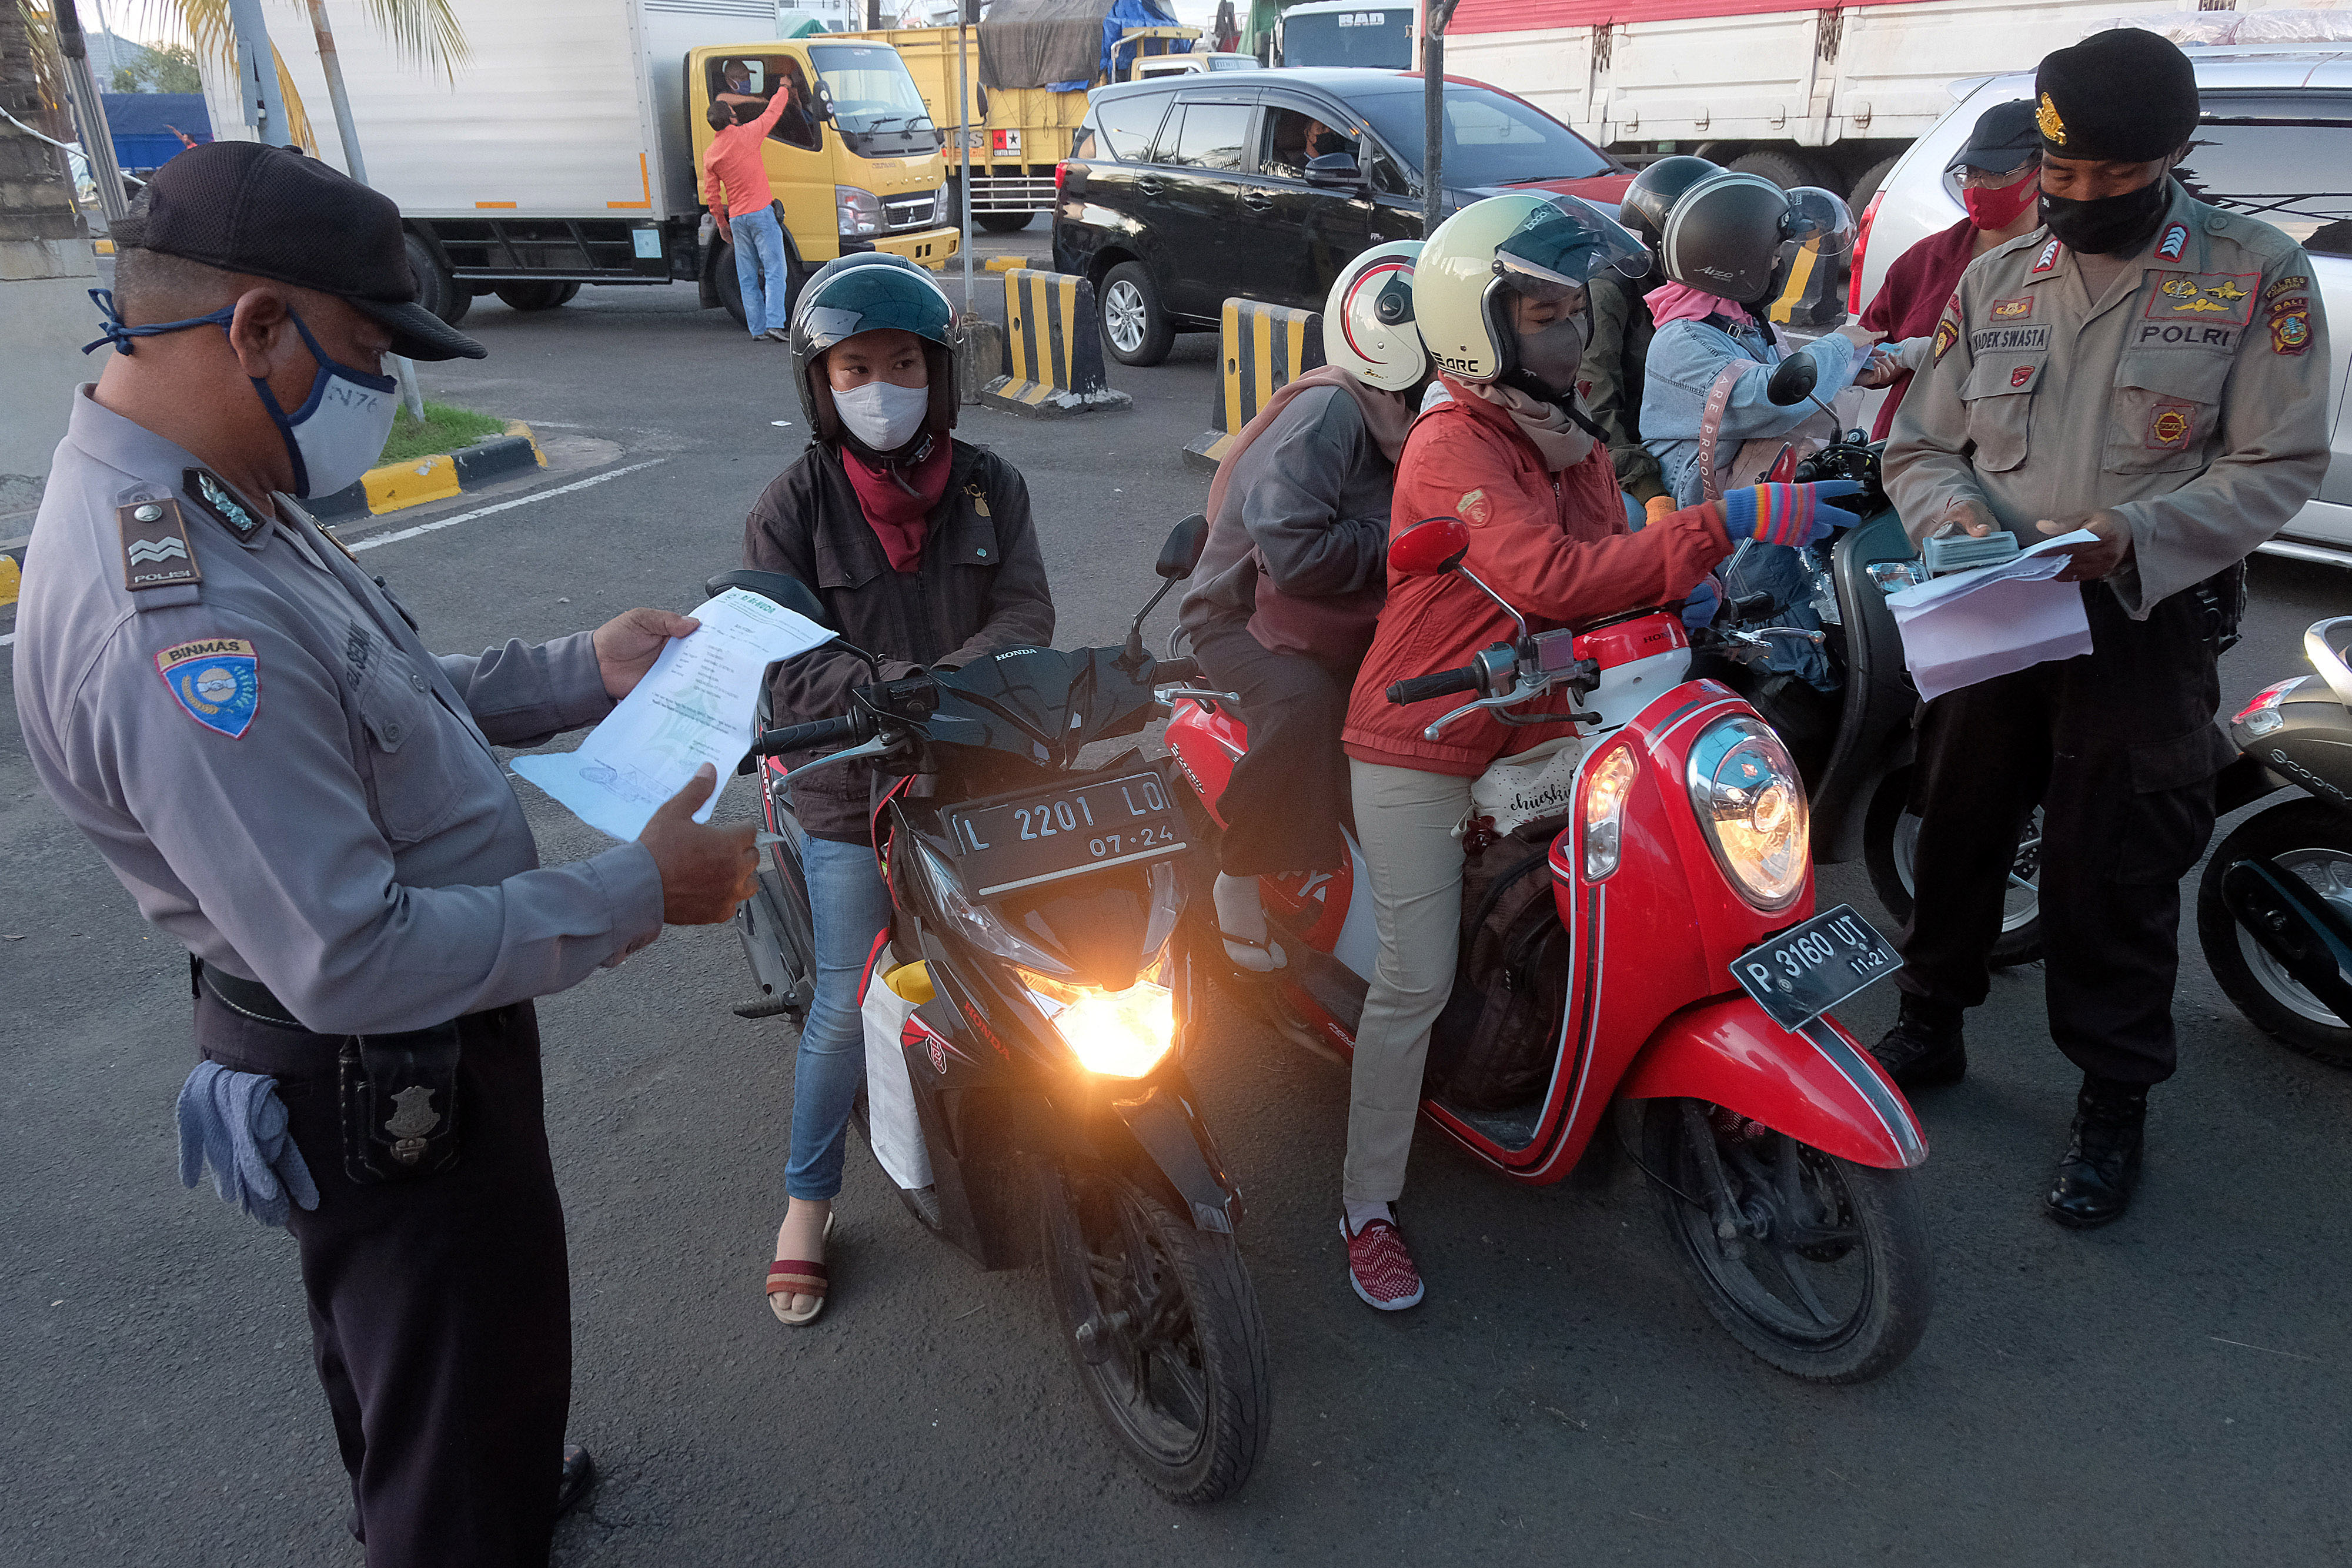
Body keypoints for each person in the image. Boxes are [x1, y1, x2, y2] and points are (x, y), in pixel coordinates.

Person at [10, 142, 759, 1566]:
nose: (385, 393)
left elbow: (379, 691)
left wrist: (574, 669)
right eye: (366, 352)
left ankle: (465, 1481)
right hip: (380, 1059)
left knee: (429, 1358)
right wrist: (636, 892)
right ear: (257, 330)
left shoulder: (221, 488)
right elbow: (349, 953)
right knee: (453, 1358)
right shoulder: (173, 612)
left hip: (403, 1044)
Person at [1335, 192, 1864, 1309]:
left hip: (1549, 714)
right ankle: (1367, 1204)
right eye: (1540, 311)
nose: (1569, 335)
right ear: (1478, 322)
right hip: (1422, 735)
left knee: (1674, 853)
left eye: (1573, 312)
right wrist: (1737, 520)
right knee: (1415, 980)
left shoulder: (1565, 428)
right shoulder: (1450, 443)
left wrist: (1707, 573)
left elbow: (1618, 544)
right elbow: (1549, 580)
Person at [1879, 26, 2330, 1228]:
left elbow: (2275, 464)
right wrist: (1954, 527)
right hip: (1991, 601)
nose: (2074, 201)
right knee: (1959, 817)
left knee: (2111, 866)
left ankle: (2110, 1099)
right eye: (2057, 176)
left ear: (2172, 152)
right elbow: (1920, 443)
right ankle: (1929, 1021)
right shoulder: (1995, 276)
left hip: (2143, 615)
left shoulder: (2253, 274)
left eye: (2107, 180)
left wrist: (2130, 535)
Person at [742, 254, 1053, 1324]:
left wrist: (949, 689)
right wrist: (880, 691)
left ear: (940, 374)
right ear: (820, 383)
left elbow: (1025, 617)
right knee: (843, 998)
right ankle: (806, 1202)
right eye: (857, 366)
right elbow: (782, 657)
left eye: (904, 364)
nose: (883, 386)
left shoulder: (990, 485)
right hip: (844, 780)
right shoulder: (790, 506)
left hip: (973, 757)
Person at [1180, 242, 1427, 972]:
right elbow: (1292, 554)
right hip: (1238, 617)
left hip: (1354, 610)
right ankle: (1242, 876)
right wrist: (1405, 542)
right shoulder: (1333, 412)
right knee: (1305, 706)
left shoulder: (1427, 414)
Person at [1639, 171, 1900, 681]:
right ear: (1737, 260)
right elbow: (1772, 396)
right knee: (1792, 665)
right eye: (1775, 253)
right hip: (1726, 532)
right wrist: (1843, 345)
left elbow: (1790, 369)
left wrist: (1869, 362)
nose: (1781, 262)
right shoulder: (1683, 341)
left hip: (1764, 515)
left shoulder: (1738, 322)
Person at [1857, 99, 2044, 439]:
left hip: (2007, 454)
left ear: (2041, 173)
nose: (1977, 187)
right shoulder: (1925, 260)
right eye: (1970, 174)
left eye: (1995, 175)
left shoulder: (2067, 263)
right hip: (1910, 450)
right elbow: (1864, 346)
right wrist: (1883, 362)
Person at [1595, 155, 1722, 522]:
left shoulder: (1705, 289)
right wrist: (1650, 491)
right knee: (1634, 524)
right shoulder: (1611, 293)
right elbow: (1598, 410)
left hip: (1699, 455)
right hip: (1633, 466)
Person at [703, 87, 797, 343]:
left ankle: (757, 329)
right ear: (732, 117)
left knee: (746, 275)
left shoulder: (711, 155)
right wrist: (784, 88)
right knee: (775, 269)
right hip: (761, 214)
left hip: (737, 218)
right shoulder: (748, 135)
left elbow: (712, 196)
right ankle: (776, 323)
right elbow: (773, 112)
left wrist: (722, 225)